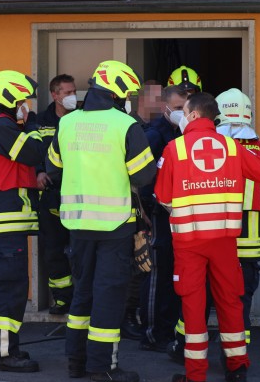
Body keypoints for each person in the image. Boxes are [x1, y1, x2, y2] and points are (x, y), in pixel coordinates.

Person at [154, 92, 260, 382]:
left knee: (193, 306)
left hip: (189, 243)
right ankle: (237, 367)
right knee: (230, 302)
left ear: (191, 115)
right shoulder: (232, 147)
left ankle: (196, 375)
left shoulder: (174, 149)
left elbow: (162, 197)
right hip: (225, 242)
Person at [46, 60, 156, 382]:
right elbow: (144, 175)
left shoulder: (67, 123)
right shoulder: (124, 125)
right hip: (113, 226)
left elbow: (53, 166)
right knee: (108, 296)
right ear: (118, 92)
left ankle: (76, 362)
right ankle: (102, 367)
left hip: (78, 226)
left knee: (82, 293)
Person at [0, 70, 46, 373]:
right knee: (11, 287)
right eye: (21, 100)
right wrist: (33, 127)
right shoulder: (2, 126)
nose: (24, 106)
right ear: (8, 98)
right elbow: (32, 152)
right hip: (6, 217)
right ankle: (4, 354)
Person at [215, 89, 260, 344]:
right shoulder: (258, 149)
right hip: (249, 235)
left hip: (214, 235)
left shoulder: (206, 146)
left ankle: (187, 345)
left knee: (205, 292)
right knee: (241, 295)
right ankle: (239, 347)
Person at [138, 84, 189, 353]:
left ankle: (172, 330)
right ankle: (153, 333)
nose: (184, 113)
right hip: (159, 213)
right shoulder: (155, 134)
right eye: (179, 108)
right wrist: (144, 209)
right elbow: (141, 177)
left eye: (187, 108)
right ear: (166, 107)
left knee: (178, 274)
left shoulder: (181, 132)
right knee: (160, 272)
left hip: (181, 214)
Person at [36, 74, 78, 315]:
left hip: (78, 193)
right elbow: (33, 152)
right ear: (55, 94)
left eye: (74, 92)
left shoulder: (82, 120)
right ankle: (63, 300)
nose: (72, 96)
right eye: (67, 92)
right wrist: (38, 172)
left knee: (80, 250)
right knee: (53, 250)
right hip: (51, 194)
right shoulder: (40, 121)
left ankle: (83, 298)